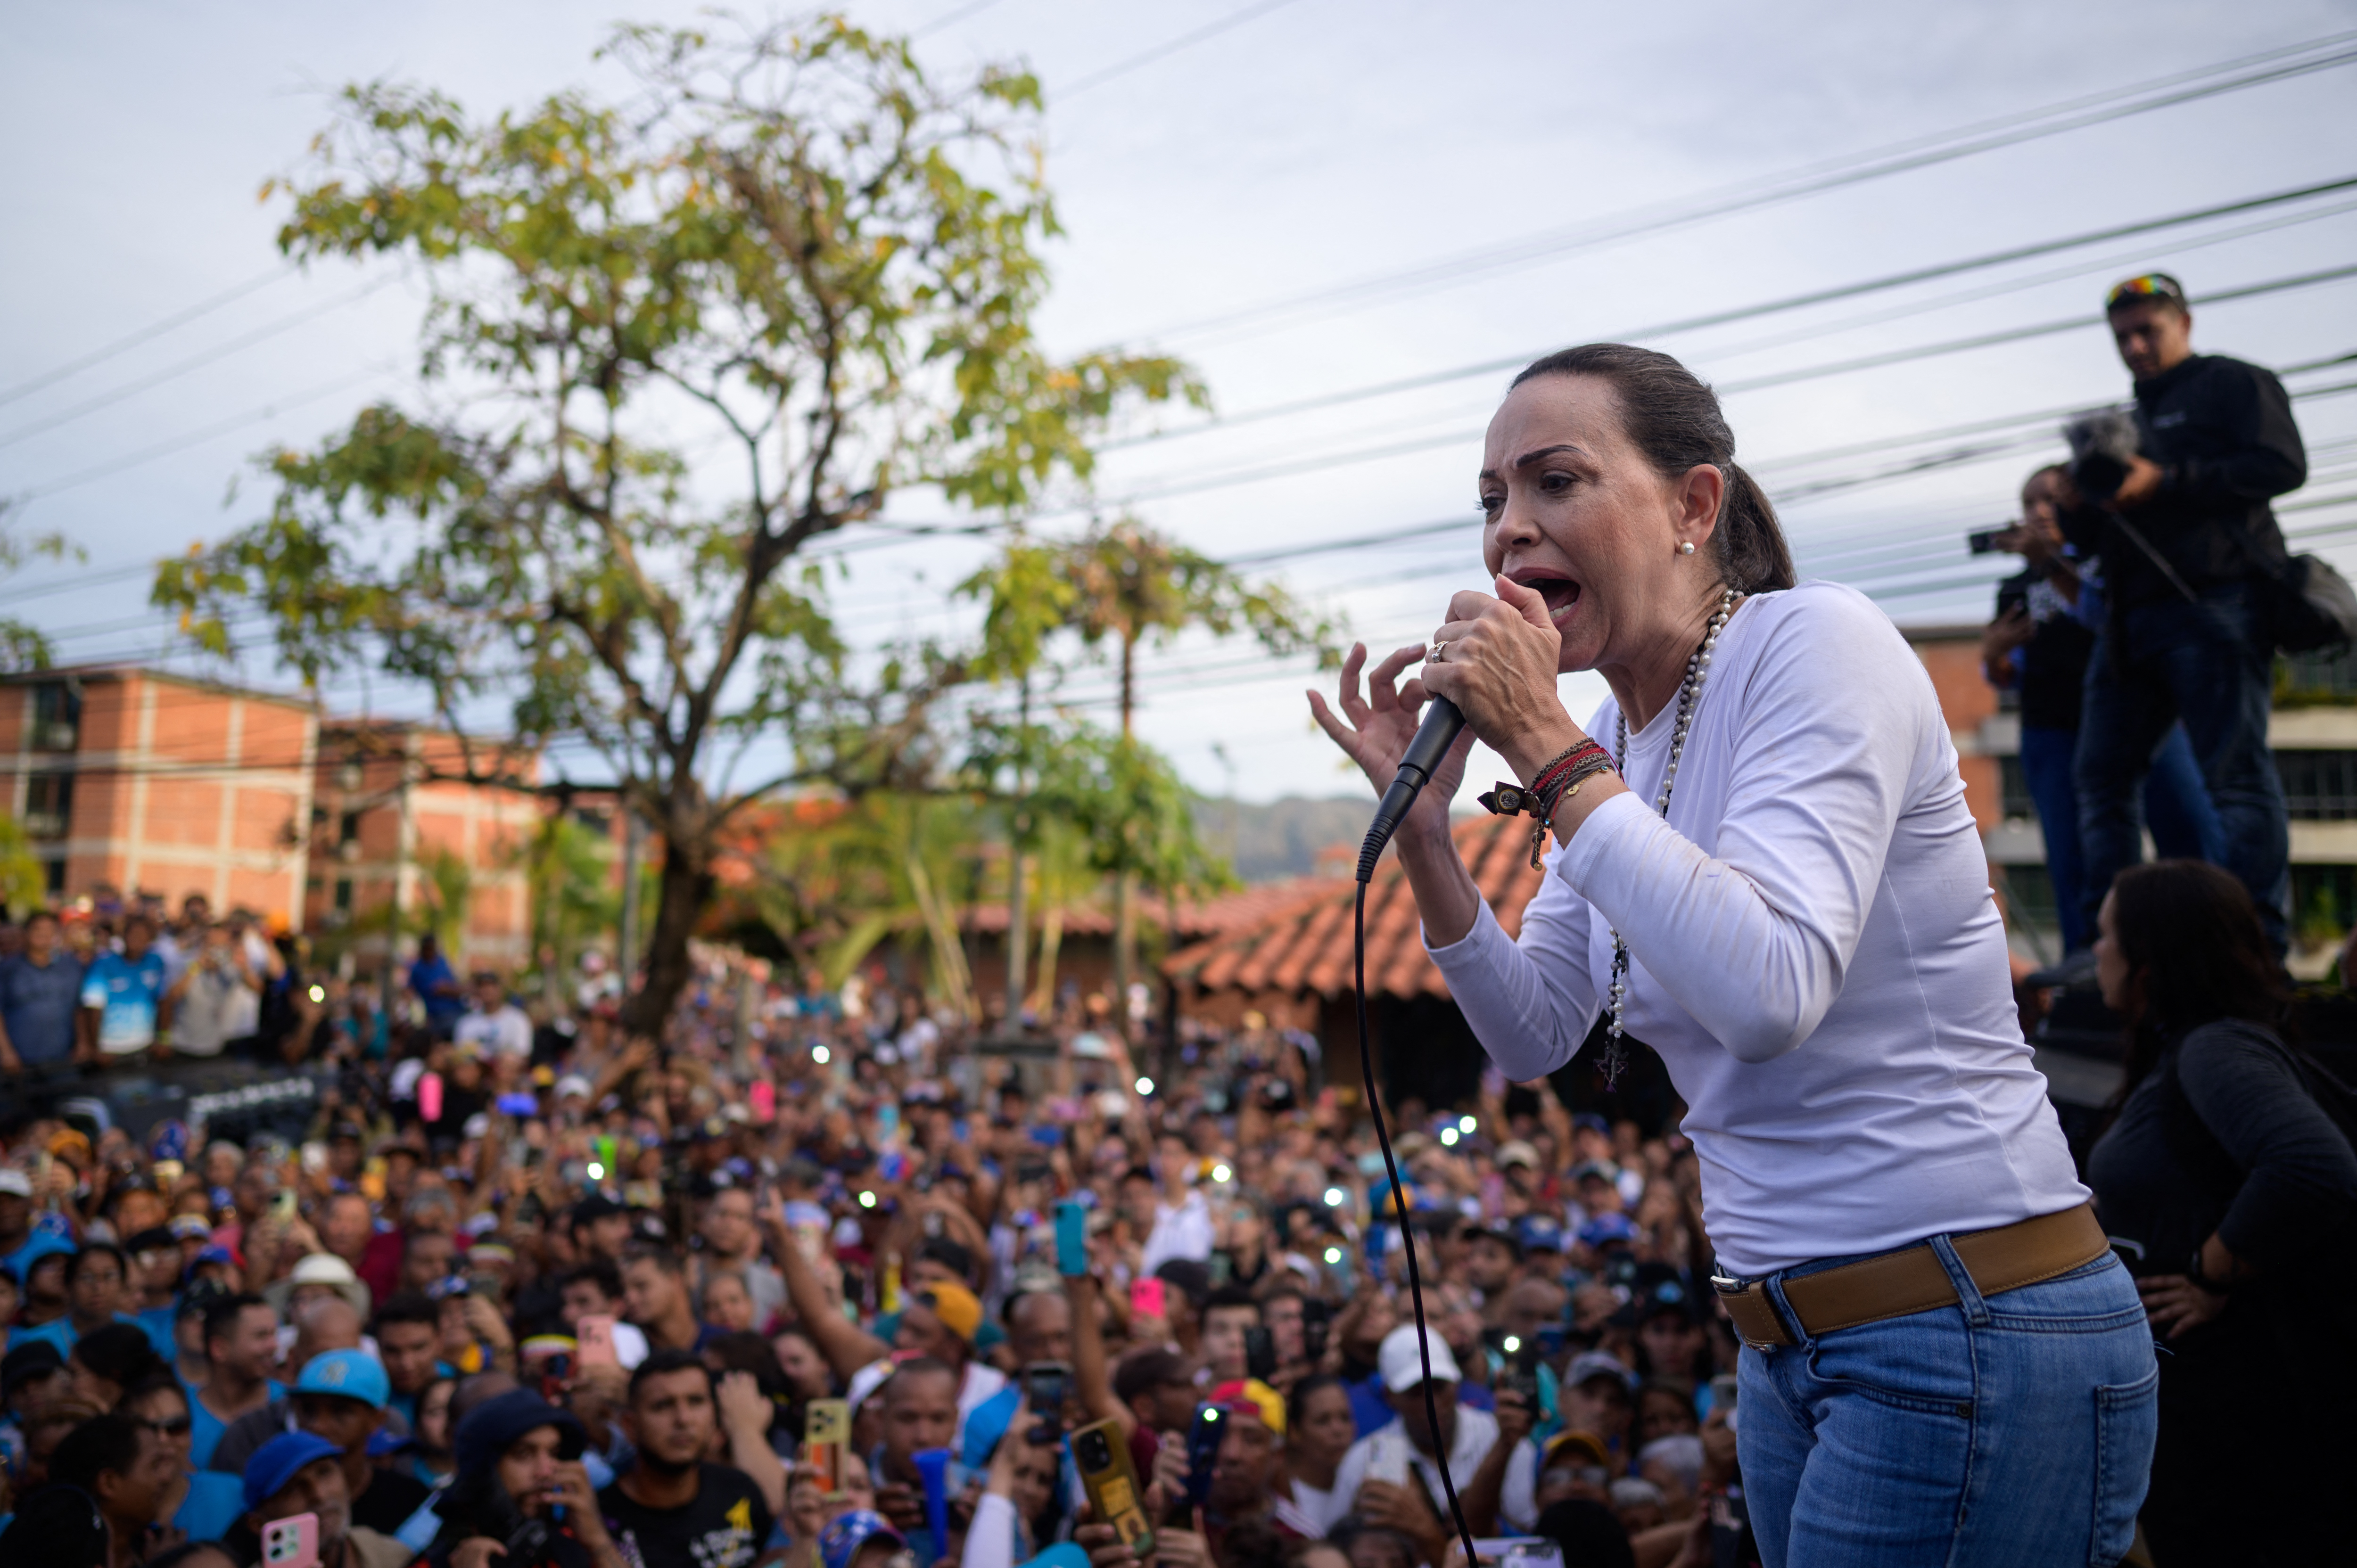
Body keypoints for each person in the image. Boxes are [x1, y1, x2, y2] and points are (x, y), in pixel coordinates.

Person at [1310, 341, 2153, 1564]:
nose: (1510, 532)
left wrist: (1549, 752)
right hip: (1783, 1345)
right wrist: (1432, 832)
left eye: (1557, 481)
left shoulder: (1816, 645)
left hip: (1964, 1315)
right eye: (1493, 500)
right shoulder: (1610, 737)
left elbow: (1770, 989)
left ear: (1694, 505)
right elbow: (1538, 1026)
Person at [2083, 859, 2357, 1563]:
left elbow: (2313, 1163)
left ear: (2152, 955)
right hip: (2216, 1402)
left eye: (2108, 933)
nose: (2096, 949)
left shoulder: (2217, 1045)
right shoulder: (2189, 1045)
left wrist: (2210, 1272)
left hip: (2246, 1403)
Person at [2068, 272, 2309, 953]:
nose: (2137, 347)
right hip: (2128, 621)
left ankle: (2255, 946)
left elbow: (2282, 464)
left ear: (2186, 324)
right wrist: (2081, 505)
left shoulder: (2233, 384)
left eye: (2150, 330)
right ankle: (2104, 950)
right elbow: (2098, 535)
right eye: (2123, 338)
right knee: (2102, 780)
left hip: (2215, 604)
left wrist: (2166, 480)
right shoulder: (2124, 422)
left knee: (2234, 777)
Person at [1978, 464, 2215, 954]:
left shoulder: (2108, 555)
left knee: (2189, 830)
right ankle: (2091, 960)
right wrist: (1992, 656)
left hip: (2137, 715)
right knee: (2075, 857)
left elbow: (2113, 619)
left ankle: (2206, 946)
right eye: (2026, 503)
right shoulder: (2014, 589)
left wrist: (2052, 563)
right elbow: (2011, 674)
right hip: (2054, 731)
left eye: (2047, 499)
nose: (2037, 511)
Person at [595, 1350, 772, 1568]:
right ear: (630, 1426)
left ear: (714, 1415)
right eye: (662, 1405)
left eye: (696, 1401)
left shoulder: (740, 1491)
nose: (683, 1419)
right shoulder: (600, 1520)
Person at [421, 1388, 623, 1568]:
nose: (546, 1471)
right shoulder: (436, 1560)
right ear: (483, 1471)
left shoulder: (572, 1549)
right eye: (523, 1454)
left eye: (554, 1453)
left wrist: (598, 1541)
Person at [236, 1429, 411, 1568]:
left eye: (324, 1472)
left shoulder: (394, 1556)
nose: (318, 1495)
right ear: (258, 1525)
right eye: (292, 1490)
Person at [49, 1411, 175, 1568]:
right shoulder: (50, 1555)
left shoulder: (154, 1549)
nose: (165, 1478)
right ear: (108, 1483)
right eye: (154, 1466)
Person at [0, 910, 87, 1071]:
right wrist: (6, 1052)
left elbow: (78, 1008)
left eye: (50, 930)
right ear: (25, 933)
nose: (44, 934)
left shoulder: (71, 966)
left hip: (62, 1058)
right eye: (37, 929)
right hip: (20, 1061)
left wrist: (82, 1042)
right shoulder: (8, 969)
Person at [160, 924, 260, 1061]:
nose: (216, 951)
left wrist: (244, 967)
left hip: (215, 1048)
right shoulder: (189, 963)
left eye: (221, 945)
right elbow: (172, 997)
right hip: (183, 1048)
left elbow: (258, 989)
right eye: (212, 944)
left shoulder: (229, 970)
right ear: (204, 943)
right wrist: (197, 966)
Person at [77, 914, 168, 1063]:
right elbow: (93, 1009)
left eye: (142, 935)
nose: (136, 939)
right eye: (132, 934)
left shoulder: (155, 962)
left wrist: (163, 1039)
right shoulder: (104, 964)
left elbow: (163, 1001)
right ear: (124, 936)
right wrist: (96, 1048)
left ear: (150, 940)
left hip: (144, 1046)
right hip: (110, 1049)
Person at [408, 935, 465, 1039]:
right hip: (439, 1017)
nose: (431, 952)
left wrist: (455, 989)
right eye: (428, 948)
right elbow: (440, 989)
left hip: (458, 1011)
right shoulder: (418, 969)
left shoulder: (442, 961)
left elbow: (454, 985)